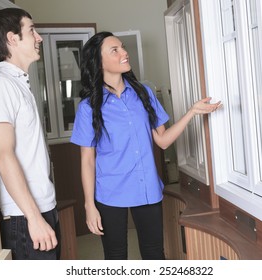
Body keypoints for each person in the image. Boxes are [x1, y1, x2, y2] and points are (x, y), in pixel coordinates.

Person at [70, 31, 221, 260]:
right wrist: (89, 205)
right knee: (115, 256)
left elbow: (162, 140)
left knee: (154, 255)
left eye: (122, 47)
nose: (124, 53)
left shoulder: (144, 93)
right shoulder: (88, 108)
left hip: (146, 188)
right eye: (115, 50)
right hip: (110, 192)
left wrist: (191, 112)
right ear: (98, 63)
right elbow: (87, 160)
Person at [0, 8, 60, 260]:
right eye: (31, 31)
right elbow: (3, 155)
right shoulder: (0, 85)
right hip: (25, 216)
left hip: (40, 208)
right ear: (12, 39)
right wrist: (34, 218)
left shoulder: (18, 84)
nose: (38, 37)